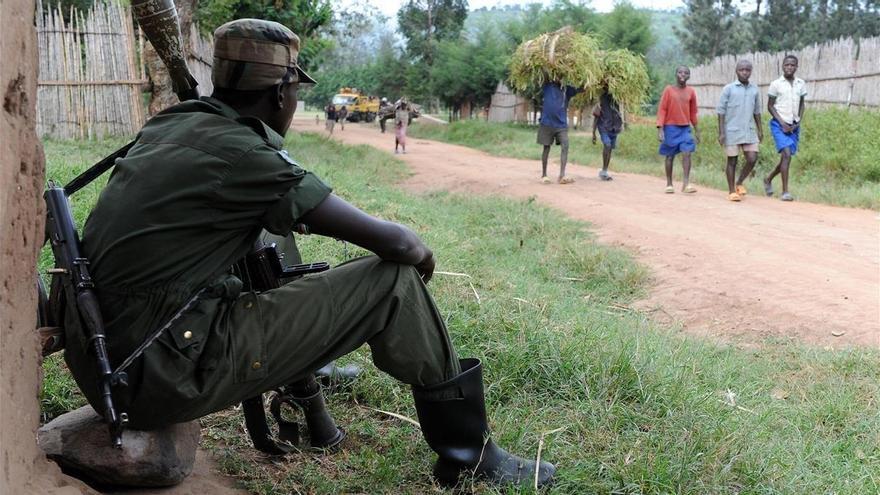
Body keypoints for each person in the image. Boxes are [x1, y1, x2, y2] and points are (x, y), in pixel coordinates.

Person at [65, 19, 554, 489]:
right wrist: (421, 253)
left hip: (106, 355)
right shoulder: (248, 158)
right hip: (158, 373)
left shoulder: (172, 126)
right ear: (281, 92)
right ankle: (469, 455)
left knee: (272, 242)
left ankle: (310, 362)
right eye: (296, 91)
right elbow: (398, 246)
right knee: (392, 283)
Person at [717, 59, 763, 202]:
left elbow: (757, 112)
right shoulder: (729, 89)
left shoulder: (754, 90)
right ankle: (732, 191)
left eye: (747, 70)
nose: (744, 72)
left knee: (752, 158)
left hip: (749, 130)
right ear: (736, 71)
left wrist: (760, 130)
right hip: (731, 131)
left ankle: (739, 182)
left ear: (751, 72)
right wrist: (721, 132)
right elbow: (720, 111)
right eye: (741, 69)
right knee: (732, 161)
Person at [764, 55, 806, 202]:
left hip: (794, 125)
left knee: (786, 158)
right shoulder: (776, 84)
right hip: (779, 124)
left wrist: (798, 121)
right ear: (782, 66)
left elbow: (802, 104)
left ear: (796, 67)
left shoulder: (801, 84)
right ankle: (785, 192)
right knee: (786, 154)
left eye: (793, 65)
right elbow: (769, 106)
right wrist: (781, 123)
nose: (790, 67)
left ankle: (768, 178)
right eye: (787, 65)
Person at [657, 66, 700, 194]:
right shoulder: (669, 90)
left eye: (686, 73)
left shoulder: (691, 92)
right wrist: (660, 128)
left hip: (685, 128)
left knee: (687, 153)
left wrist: (697, 130)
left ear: (689, 76)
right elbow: (662, 109)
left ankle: (686, 184)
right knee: (669, 156)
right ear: (676, 74)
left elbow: (693, 112)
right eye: (680, 72)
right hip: (670, 127)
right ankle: (669, 184)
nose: (683, 74)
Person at [537, 82, 580, 184]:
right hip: (546, 123)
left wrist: (591, 82)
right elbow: (543, 73)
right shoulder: (547, 85)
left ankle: (562, 175)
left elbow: (581, 88)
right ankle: (544, 175)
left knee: (565, 145)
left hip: (561, 125)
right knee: (546, 147)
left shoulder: (567, 89)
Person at [591, 88, 622, 181]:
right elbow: (596, 117)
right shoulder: (601, 99)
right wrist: (593, 133)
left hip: (614, 128)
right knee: (607, 145)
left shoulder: (617, 98)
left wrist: (620, 125)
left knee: (610, 149)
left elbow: (618, 114)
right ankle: (604, 171)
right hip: (604, 127)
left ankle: (604, 170)